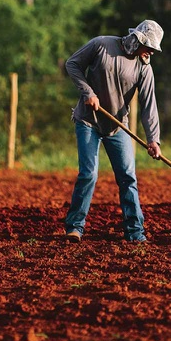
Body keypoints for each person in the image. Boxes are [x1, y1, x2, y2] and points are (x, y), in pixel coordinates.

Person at [64, 20, 164, 243]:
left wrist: (153, 139)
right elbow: (72, 64)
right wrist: (87, 92)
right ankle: (75, 227)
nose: (150, 52)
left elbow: (149, 104)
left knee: (128, 177)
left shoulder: (144, 66)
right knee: (89, 174)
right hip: (88, 121)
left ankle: (135, 232)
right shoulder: (101, 45)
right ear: (138, 40)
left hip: (118, 126)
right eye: (149, 47)